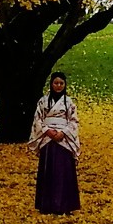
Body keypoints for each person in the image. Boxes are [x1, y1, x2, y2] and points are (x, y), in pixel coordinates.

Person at [28, 71, 81, 214]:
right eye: (56, 83)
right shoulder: (43, 101)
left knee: (63, 172)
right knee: (48, 170)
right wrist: (47, 131)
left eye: (61, 83)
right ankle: (47, 204)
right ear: (51, 84)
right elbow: (37, 119)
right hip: (47, 138)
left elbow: (74, 121)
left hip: (63, 139)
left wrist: (63, 133)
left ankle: (64, 205)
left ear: (65, 85)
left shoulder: (69, 102)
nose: (58, 86)